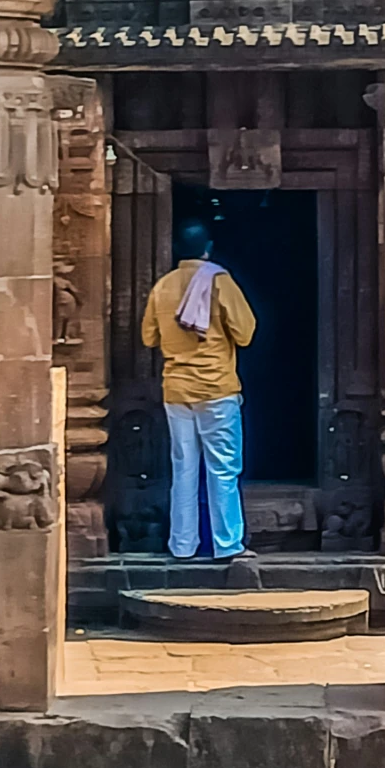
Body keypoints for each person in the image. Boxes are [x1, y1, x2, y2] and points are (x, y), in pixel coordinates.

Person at [141, 218, 257, 560]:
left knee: (184, 468)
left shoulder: (163, 286)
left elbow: (149, 337)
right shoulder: (219, 281)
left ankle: (182, 545)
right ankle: (227, 545)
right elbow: (246, 332)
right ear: (208, 248)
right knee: (222, 469)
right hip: (217, 388)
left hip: (176, 390)